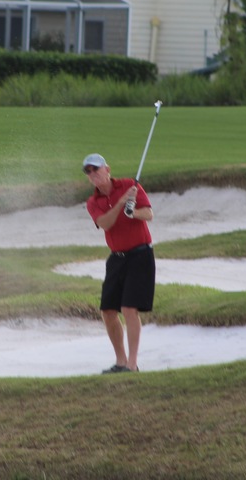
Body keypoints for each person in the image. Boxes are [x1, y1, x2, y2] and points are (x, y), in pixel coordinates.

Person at [83, 152, 155, 373]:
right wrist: (122, 203)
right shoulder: (93, 201)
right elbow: (105, 223)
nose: (93, 174)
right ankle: (121, 361)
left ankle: (132, 364)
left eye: (96, 169)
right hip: (117, 258)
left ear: (107, 169)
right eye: (89, 171)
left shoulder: (130, 185)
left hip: (140, 254)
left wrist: (132, 212)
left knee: (129, 308)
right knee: (107, 310)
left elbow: (149, 214)